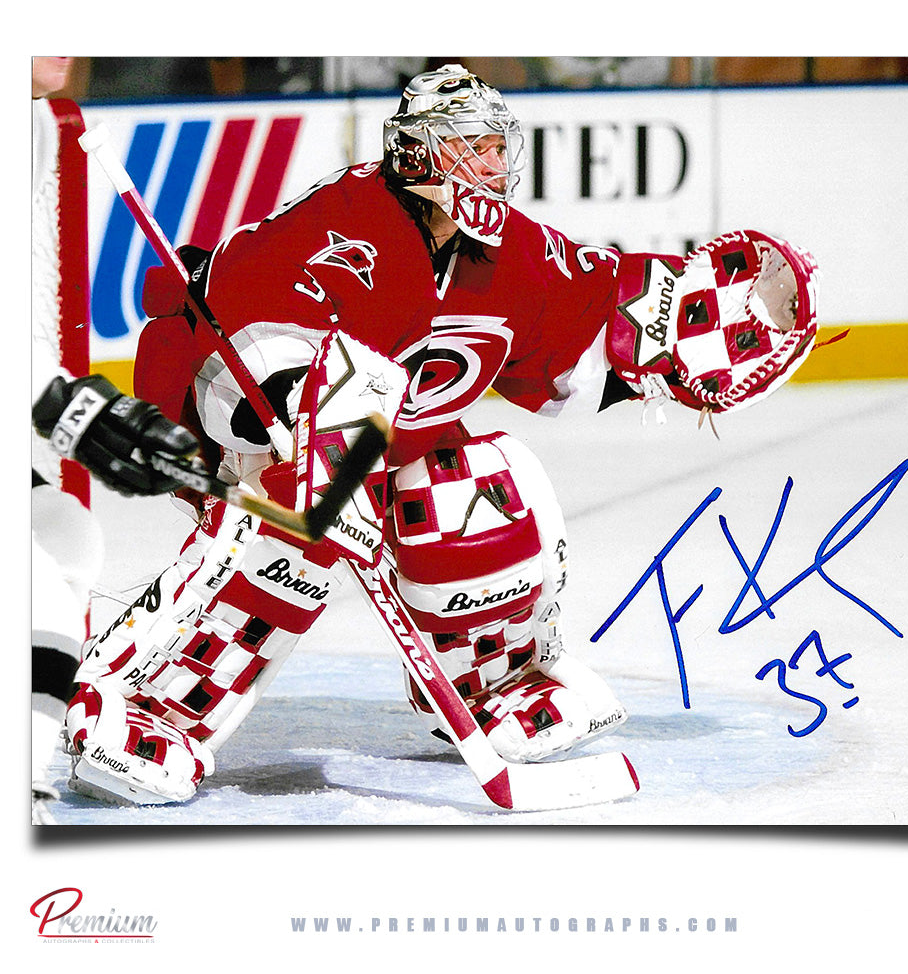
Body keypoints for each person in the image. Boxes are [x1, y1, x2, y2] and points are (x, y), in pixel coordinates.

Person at [63, 64, 820, 807]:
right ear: (417, 153)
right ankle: (148, 705)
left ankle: (491, 685)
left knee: (472, 495)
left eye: (498, 147)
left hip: (371, 432)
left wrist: (678, 326)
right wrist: (312, 422)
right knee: (298, 527)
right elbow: (260, 312)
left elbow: (591, 302)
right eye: (472, 146)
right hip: (237, 411)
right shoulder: (347, 221)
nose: (492, 165)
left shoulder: (507, 254)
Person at [30, 56, 200, 823]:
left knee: (63, 534)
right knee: (37, 590)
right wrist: (64, 405)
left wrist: (68, 411)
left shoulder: (33, 119)